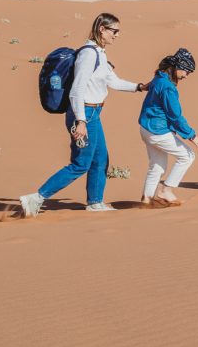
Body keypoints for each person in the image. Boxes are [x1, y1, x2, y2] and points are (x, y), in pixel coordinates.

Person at [20, 13, 147, 216]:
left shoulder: (100, 52)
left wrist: (140, 87)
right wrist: (80, 121)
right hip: (84, 113)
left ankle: (95, 202)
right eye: (114, 31)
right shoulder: (89, 54)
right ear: (102, 29)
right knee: (81, 163)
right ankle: (36, 198)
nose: (117, 35)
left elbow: (113, 81)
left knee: (100, 159)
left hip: (93, 113)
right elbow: (77, 89)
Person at [138, 48, 198, 207]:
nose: (187, 75)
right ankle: (165, 191)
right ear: (178, 67)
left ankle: (146, 200)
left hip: (146, 129)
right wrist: (191, 136)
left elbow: (152, 86)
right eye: (187, 71)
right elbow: (175, 116)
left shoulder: (159, 77)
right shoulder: (168, 87)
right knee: (188, 156)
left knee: (157, 166)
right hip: (158, 131)